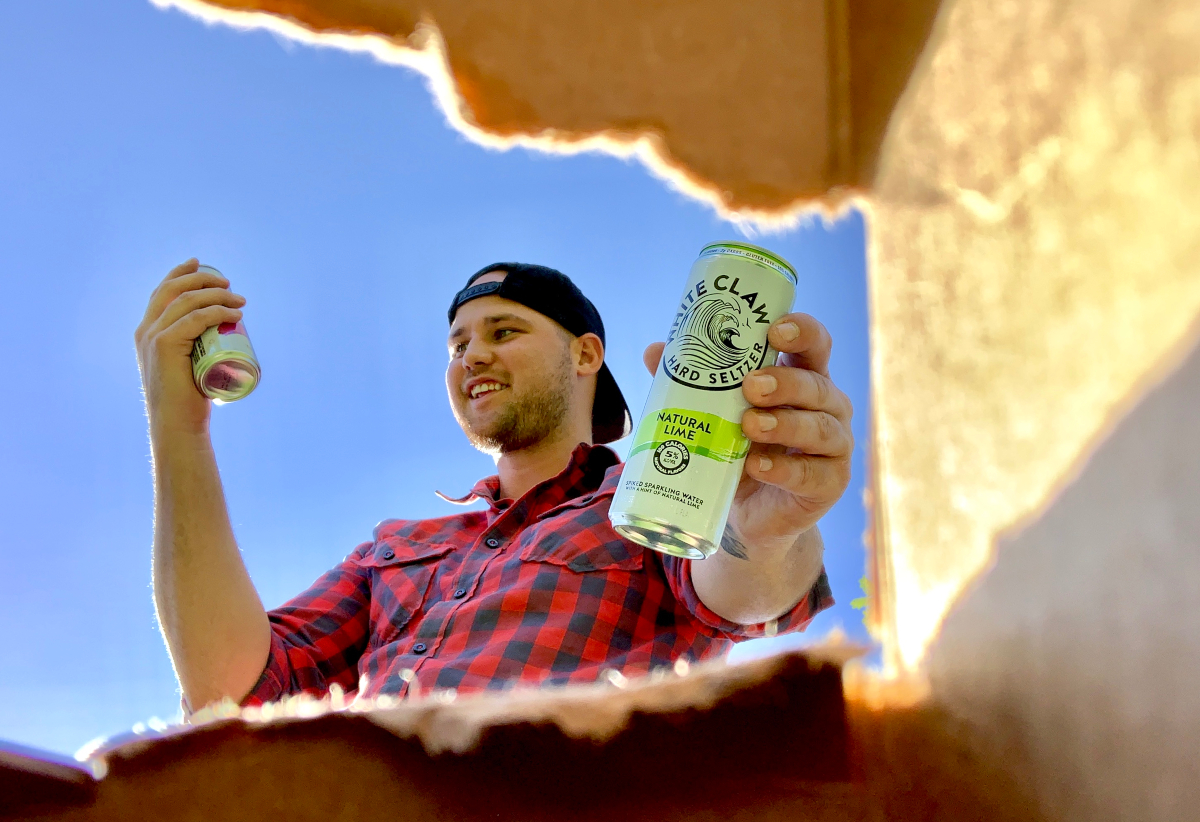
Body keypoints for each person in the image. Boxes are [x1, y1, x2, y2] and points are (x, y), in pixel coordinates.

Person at [135, 258, 853, 712]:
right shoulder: (396, 548)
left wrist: (769, 525)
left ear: (586, 353)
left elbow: (740, 589)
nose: (473, 353)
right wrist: (180, 429)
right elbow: (231, 689)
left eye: (504, 331)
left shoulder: (649, 498)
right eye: (458, 344)